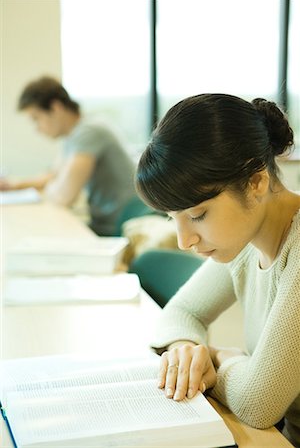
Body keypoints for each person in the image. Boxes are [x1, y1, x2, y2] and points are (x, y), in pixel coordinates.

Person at [135, 93, 300, 446]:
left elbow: (258, 401)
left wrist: (217, 356)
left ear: (256, 182)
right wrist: (185, 350)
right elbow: (182, 312)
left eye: (197, 215)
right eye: (172, 218)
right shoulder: (248, 236)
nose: (184, 240)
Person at [0, 76, 138, 236]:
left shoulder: (89, 132)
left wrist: (53, 187)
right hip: (106, 223)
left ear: (56, 108)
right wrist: (15, 185)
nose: (37, 128)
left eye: (36, 118)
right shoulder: (72, 136)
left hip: (119, 228)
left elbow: (64, 197)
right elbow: (53, 176)